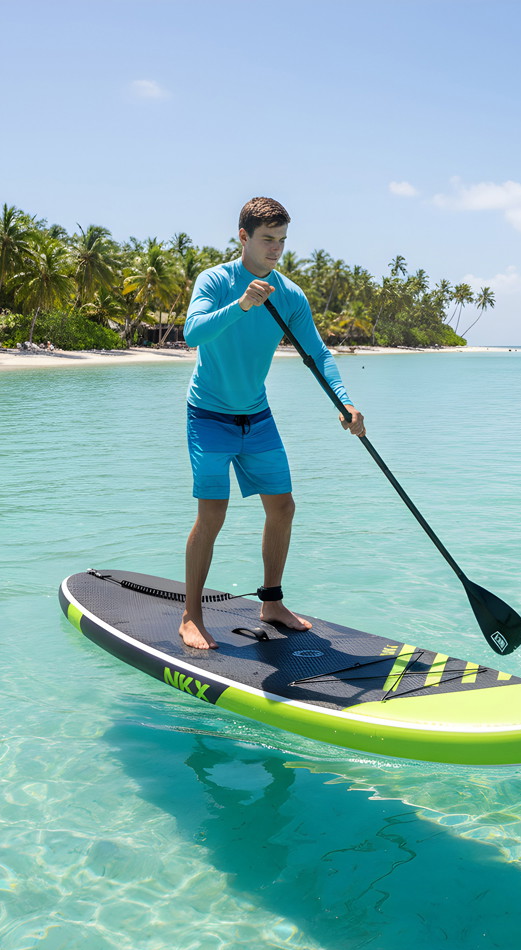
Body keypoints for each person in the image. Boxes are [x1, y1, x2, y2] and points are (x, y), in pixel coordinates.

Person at [179, 197, 365, 649]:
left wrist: (345, 403)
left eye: (282, 241)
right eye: (267, 240)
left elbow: (318, 353)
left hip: (257, 417)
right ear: (243, 237)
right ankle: (191, 615)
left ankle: (272, 601)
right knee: (213, 514)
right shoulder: (217, 280)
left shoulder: (289, 294)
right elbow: (193, 334)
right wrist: (242, 304)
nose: (276, 250)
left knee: (283, 507)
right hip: (208, 416)